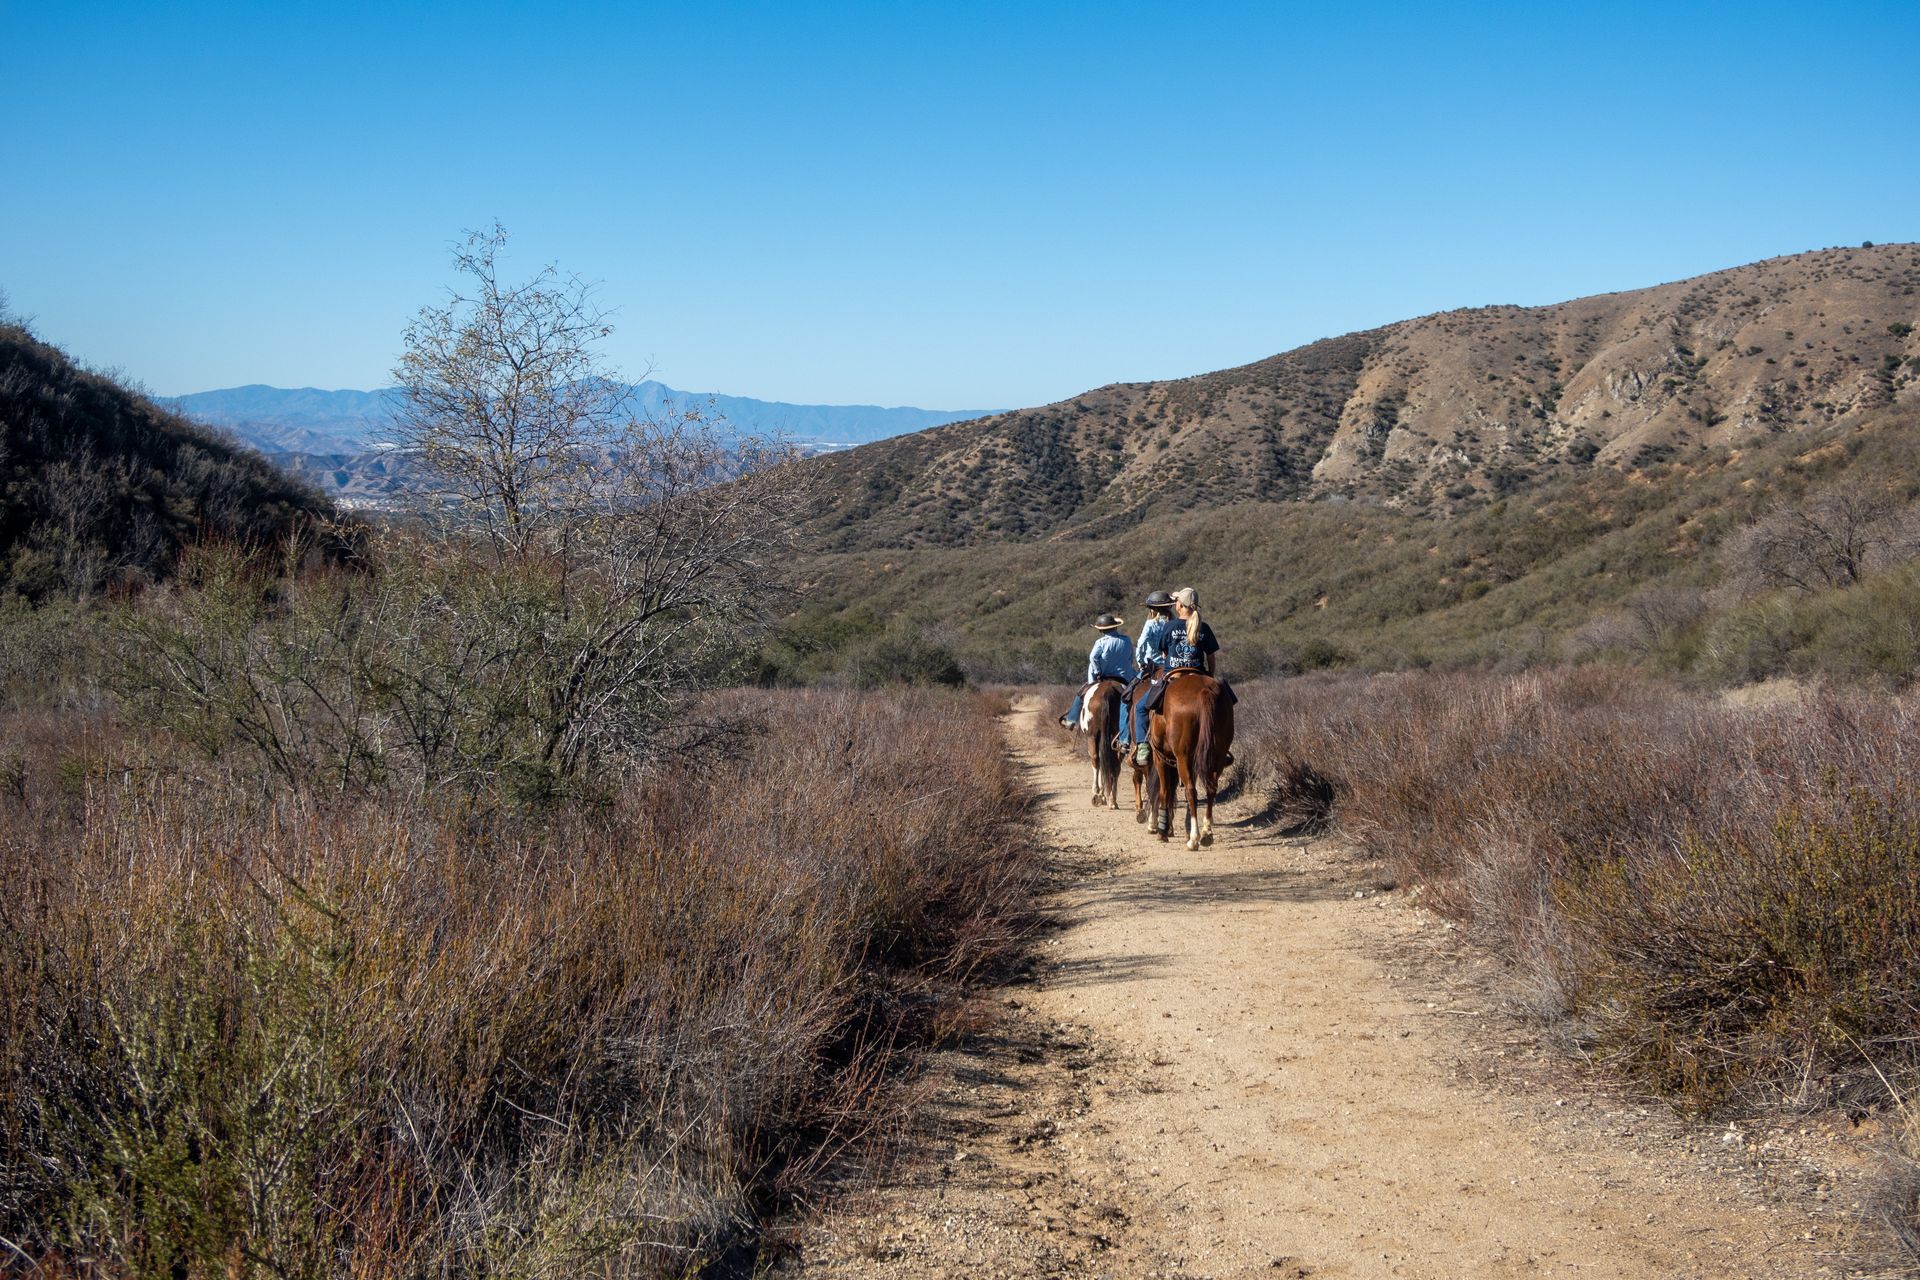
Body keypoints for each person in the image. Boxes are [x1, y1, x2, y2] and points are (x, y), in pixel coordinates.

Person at [1116, 590, 1176, 765]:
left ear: (1151, 609)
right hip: (1174, 666)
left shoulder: (1151, 624)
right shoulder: (1175, 622)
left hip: (1153, 667)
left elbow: (1141, 644)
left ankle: (1128, 741)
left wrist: (1141, 662)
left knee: (1126, 698)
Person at [1059, 613, 1136, 730]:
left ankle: (1071, 720)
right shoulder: (1126, 640)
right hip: (1125, 678)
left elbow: (1093, 657)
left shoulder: (1100, 642)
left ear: (1101, 630)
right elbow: (1131, 657)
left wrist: (1097, 671)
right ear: (1115, 627)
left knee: (1082, 692)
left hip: (1104, 676)